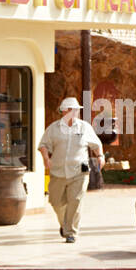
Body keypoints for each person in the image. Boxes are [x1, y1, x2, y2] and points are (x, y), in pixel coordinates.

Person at [37, 96, 104, 243]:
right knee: (55, 201)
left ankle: (71, 232)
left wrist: (101, 156)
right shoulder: (53, 128)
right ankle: (65, 224)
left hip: (81, 169)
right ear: (64, 111)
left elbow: (96, 144)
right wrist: (46, 158)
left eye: (77, 110)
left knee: (76, 200)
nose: (76, 113)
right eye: (73, 110)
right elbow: (43, 145)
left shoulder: (84, 127)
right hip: (58, 170)